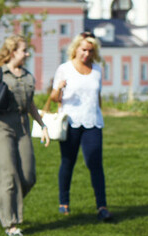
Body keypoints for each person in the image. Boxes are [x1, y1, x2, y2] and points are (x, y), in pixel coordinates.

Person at [0, 35, 50, 236]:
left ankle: (0, 201)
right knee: (9, 176)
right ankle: (10, 224)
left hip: (22, 128)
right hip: (1, 128)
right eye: (24, 50)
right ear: (13, 51)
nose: (27, 53)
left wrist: (42, 124)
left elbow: (30, 104)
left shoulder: (28, 76)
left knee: (29, 176)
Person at [44, 31, 112, 222]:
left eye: (90, 51)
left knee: (94, 163)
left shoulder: (97, 70)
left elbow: (97, 96)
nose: (86, 54)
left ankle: (102, 206)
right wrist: (59, 89)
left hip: (93, 122)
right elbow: (54, 98)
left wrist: (99, 112)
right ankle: (63, 202)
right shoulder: (64, 69)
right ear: (76, 49)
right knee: (68, 161)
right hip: (71, 122)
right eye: (83, 50)